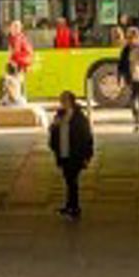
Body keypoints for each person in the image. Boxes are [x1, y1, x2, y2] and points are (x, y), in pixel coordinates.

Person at [48, 91, 95, 220]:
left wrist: (87, 155)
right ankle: (69, 205)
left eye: (64, 100)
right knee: (68, 180)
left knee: (72, 181)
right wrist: (54, 127)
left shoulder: (79, 117)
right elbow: (53, 131)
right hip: (63, 153)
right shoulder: (60, 115)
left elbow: (86, 137)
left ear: (70, 101)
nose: (62, 102)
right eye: (61, 100)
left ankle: (75, 208)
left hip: (75, 154)